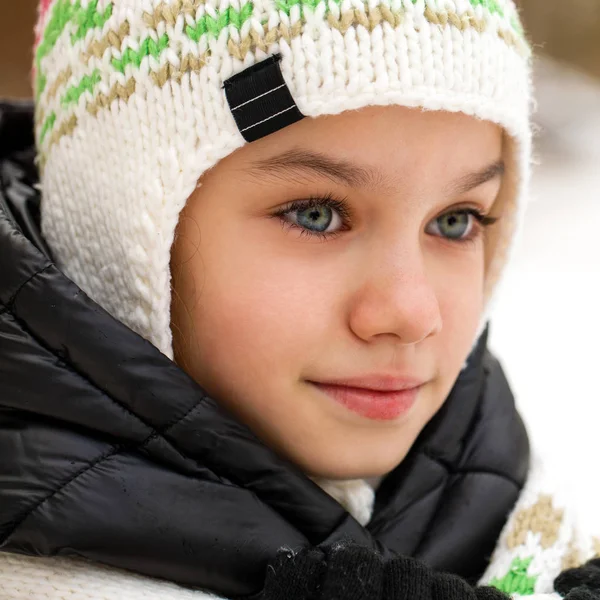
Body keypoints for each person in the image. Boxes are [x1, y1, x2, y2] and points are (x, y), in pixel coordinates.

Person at [0, 0, 598, 598]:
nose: (412, 315)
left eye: (455, 221)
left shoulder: (538, 542)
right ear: (112, 228)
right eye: (316, 215)